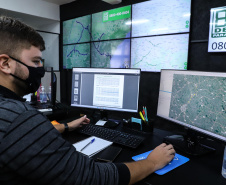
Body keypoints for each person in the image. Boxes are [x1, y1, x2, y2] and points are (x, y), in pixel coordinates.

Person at [0, 16, 175, 185]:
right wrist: (152, 162)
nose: (41, 69)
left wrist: (67, 126)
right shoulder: (19, 118)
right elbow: (90, 177)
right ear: (5, 64)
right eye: (36, 61)